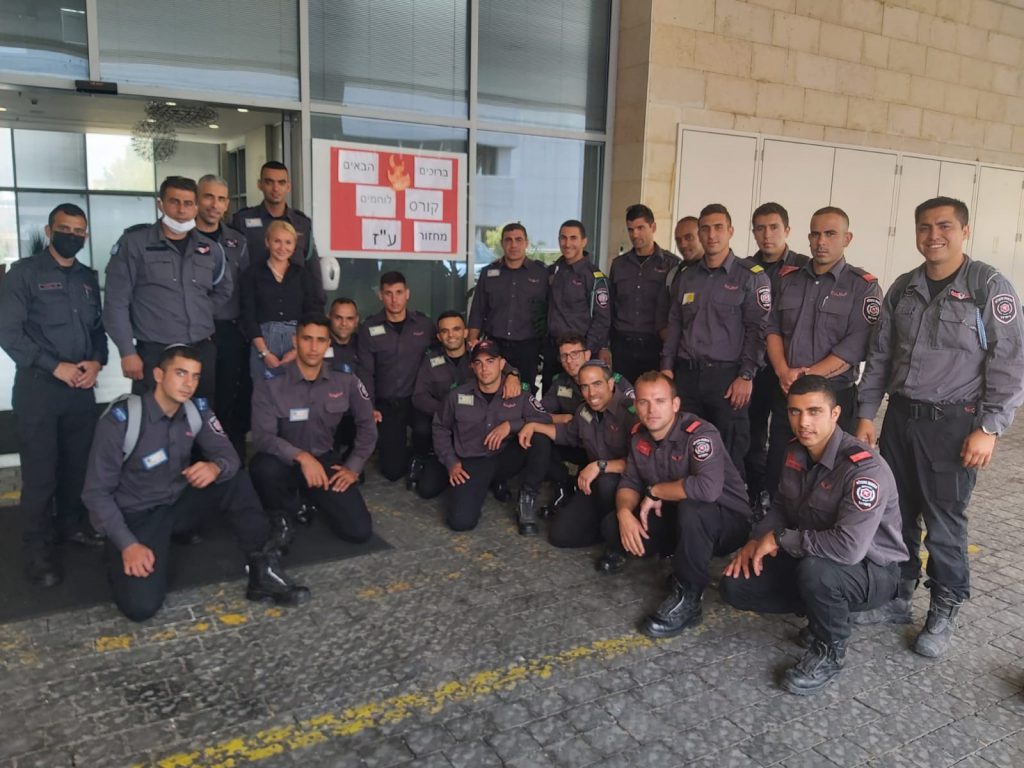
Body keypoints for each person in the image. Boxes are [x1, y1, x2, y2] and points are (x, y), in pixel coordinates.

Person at [854, 196, 1024, 658]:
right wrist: (866, 414)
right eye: (925, 227)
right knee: (896, 514)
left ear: (964, 231)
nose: (934, 236)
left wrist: (990, 428)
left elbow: (1010, 362)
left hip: (953, 425)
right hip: (900, 419)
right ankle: (896, 596)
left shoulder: (988, 287)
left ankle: (944, 608)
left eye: (944, 226)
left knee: (944, 522)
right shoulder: (904, 288)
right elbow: (880, 356)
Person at [81, 344, 309, 622]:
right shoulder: (121, 421)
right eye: (180, 373)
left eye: (195, 376)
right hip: (137, 516)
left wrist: (215, 467)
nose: (188, 383)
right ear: (158, 375)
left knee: (235, 481)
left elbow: (229, 457)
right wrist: (128, 544)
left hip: (178, 502)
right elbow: (96, 493)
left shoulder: (196, 411)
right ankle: (116, 555)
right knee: (140, 607)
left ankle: (263, 571)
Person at [721, 376, 907, 694]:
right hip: (813, 553)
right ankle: (821, 610)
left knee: (817, 572)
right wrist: (756, 539)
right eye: (794, 411)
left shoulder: (864, 470)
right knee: (736, 585)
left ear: (835, 414)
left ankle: (829, 651)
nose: (803, 422)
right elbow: (781, 506)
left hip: (871, 570)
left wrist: (779, 539)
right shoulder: (796, 451)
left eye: (814, 411)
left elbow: (848, 549)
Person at [0, 203, 107, 586]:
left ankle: (70, 527)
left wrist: (96, 362)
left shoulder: (86, 277)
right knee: (41, 473)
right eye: (65, 229)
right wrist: (54, 366)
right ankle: (37, 548)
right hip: (39, 389)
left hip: (80, 389)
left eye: (79, 231)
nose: (72, 236)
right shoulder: (24, 274)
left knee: (77, 467)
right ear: (49, 231)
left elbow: (97, 330)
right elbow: (9, 332)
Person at [605, 372, 751, 637]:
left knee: (693, 508)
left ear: (675, 404)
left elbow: (707, 489)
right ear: (636, 405)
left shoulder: (700, 434)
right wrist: (624, 513)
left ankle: (689, 597)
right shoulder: (639, 436)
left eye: (659, 401)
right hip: (678, 516)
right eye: (644, 402)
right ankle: (680, 555)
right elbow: (630, 481)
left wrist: (656, 491)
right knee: (612, 527)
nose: (651, 410)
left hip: (726, 521)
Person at [763, 206, 880, 500]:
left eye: (830, 234)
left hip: (834, 395)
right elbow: (772, 329)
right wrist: (782, 370)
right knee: (781, 462)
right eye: (815, 234)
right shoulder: (788, 279)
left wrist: (808, 376)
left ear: (847, 238)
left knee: (830, 471)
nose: (821, 241)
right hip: (788, 390)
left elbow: (856, 344)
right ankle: (774, 516)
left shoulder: (862, 286)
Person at [660, 203, 771, 478]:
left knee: (730, 452)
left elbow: (758, 331)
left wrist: (746, 375)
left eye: (718, 228)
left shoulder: (750, 277)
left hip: (727, 380)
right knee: (685, 447)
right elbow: (675, 325)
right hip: (687, 376)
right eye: (705, 229)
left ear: (730, 231)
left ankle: (731, 504)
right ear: (699, 233)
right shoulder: (687, 277)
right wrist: (666, 368)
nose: (711, 235)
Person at [249, 315, 377, 546]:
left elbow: (367, 424)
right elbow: (262, 436)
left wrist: (353, 467)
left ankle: (312, 496)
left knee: (359, 531)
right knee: (263, 468)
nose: (314, 347)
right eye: (307, 339)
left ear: (328, 344)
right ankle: (288, 509)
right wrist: (301, 456)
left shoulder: (345, 379)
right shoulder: (270, 383)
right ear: (295, 341)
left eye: (320, 340)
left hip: (323, 459)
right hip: (282, 462)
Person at [104, 175, 231, 399]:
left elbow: (223, 289)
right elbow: (116, 302)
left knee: (199, 414)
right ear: (160, 204)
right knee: (152, 416)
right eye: (174, 202)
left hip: (199, 349)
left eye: (188, 203)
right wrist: (127, 351)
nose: (181, 210)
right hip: (155, 352)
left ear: (196, 207)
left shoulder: (210, 248)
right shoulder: (135, 244)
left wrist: (200, 312)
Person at [427, 340, 552, 534]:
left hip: (505, 457)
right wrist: (451, 462)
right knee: (461, 522)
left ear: (502, 364)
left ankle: (527, 497)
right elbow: (440, 427)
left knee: (540, 438)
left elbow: (545, 419)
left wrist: (511, 425)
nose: (485, 368)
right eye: (479, 363)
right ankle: (485, 485)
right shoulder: (457, 395)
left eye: (490, 361)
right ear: (472, 367)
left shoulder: (519, 393)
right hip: (472, 461)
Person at [518, 361, 637, 548]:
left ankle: (616, 539)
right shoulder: (583, 411)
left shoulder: (631, 413)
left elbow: (642, 462)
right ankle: (607, 530)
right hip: (596, 484)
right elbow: (567, 434)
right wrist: (534, 426)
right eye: (585, 387)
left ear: (610, 384)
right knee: (560, 536)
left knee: (606, 483)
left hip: (629, 486)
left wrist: (601, 466)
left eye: (597, 384)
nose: (591, 393)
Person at [744, 203, 809, 502]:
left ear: (787, 230)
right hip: (753, 366)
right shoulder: (744, 268)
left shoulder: (805, 268)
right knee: (752, 432)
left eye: (773, 228)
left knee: (786, 437)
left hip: (787, 368)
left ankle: (781, 496)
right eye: (760, 228)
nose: (767, 235)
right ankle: (756, 494)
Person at [538, 333, 632, 517]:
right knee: (540, 439)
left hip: (612, 456)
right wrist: (559, 418)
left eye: (575, 354)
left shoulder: (617, 384)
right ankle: (563, 485)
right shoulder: (560, 382)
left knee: (604, 485)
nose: (569, 360)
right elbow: (539, 413)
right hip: (579, 439)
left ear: (587, 354)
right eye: (564, 356)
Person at [356, 272, 434, 482]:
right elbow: (365, 372)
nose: (394, 299)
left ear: (407, 294)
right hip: (387, 403)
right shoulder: (369, 328)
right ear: (380, 296)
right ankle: (401, 451)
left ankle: (421, 456)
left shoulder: (424, 325)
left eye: (399, 292)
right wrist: (369, 406)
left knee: (424, 430)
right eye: (388, 293)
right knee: (392, 471)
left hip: (417, 399)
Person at [196, 174, 251, 457]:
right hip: (194, 332)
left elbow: (246, 288)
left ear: (227, 204)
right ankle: (198, 458)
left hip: (229, 330)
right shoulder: (183, 238)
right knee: (198, 398)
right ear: (197, 199)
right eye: (208, 197)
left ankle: (228, 459)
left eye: (220, 199)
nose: (214, 204)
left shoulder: (237, 241)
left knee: (229, 397)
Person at [467, 222, 549, 392]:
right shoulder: (488, 273)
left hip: (528, 347)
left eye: (518, 240)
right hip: (495, 345)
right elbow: (477, 310)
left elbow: (550, 309)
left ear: (526, 243)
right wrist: (472, 341)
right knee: (493, 390)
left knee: (525, 391)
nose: (513, 245)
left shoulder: (541, 273)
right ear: (502, 243)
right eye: (508, 240)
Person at [231, 160, 325, 307]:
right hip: (255, 303)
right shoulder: (242, 221)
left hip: (294, 304)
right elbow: (233, 268)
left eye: (281, 183)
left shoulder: (302, 223)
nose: (275, 188)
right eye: (269, 182)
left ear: (288, 187)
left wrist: (318, 306)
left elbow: (312, 268)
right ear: (260, 184)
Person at [239, 220, 321, 383]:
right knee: (264, 393)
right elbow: (248, 314)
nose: (282, 247)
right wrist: (264, 352)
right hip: (263, 340)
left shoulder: (302, 275)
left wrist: (298, 350)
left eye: (288, 242)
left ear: (295, 245)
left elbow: (311, 311)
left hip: (296, 340)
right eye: (277, 241)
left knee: (298, 392)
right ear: (267, 242)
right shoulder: (252, 273)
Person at [608, 204, 680, 383]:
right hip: (622, 346)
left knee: (651, 396)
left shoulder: (671, 264)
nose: (635, 234)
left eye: (640, 228)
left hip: (654, 346)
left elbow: (676, 310)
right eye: (630, 229)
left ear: (653, 227)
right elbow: (610, 307)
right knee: (621, 396)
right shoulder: (618, 265)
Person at [542, 220, 610, 391]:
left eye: (573, 238)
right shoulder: (552, 271)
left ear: (584, 241)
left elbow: (602, 319)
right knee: (550, 399)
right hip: (554, 352)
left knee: (579, 400)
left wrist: (586, 352)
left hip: (580, 356)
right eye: (563, 238)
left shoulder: (594, 277)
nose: (567, 244)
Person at [326, 297, 360, 454]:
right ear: (329, 317)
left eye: (349, 318)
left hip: (355, 411)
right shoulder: (318, 342)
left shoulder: (363, 343)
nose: (344, 323)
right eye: (338, 318)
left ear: (356, 320)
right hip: (325, 411)